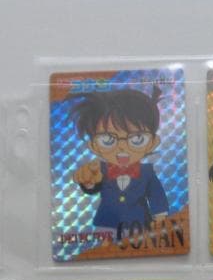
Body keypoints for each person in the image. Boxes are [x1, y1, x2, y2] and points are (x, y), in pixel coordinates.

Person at [67, 86, 170, 234]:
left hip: (139, 224)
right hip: (107, 224)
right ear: (94, 146)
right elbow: (92, 187)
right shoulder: (99, 169)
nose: (122, 147)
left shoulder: (147, 173)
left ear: (152, 143)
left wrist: (160, 217)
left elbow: (156, 194)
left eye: (137, 139)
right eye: (108, 140)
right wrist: (88, 181)